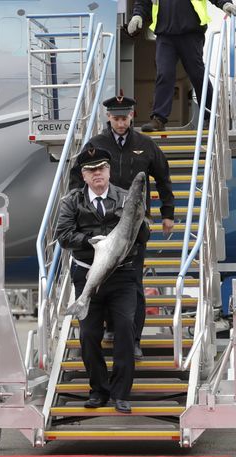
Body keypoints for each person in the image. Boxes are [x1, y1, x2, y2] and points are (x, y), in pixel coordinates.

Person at [69, 94, 174, 359]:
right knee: (103, 278)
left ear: (131, 116)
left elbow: (163, 178)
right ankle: (110, 328)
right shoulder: (96, 145)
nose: (120, 123)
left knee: (133, 283)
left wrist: (167, 213)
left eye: (124, 118)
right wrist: (77, 212)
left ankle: (134, 339)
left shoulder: (145, 145)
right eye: (116, 118)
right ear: (108, 117)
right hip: (101, 224)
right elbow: (76, 181)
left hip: (135, 228)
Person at [57, 147, 150, 413]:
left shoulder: (126, 198)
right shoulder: (71, 201)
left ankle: (121, 393)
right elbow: (63, 236)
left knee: (124, 332)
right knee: (88, 335)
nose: (97, 173)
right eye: (91, 170)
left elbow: (144, 238)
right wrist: (88, 240)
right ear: (84, 175)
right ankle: (98, 390)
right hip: (87, 273)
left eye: (101, 168)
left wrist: (139, 223)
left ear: (109, 171)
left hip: (122, 276)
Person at [127, 0, 236, 131]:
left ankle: (211, 116)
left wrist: (225, 3)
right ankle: (159, 119)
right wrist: (137, 15)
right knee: (164, 74)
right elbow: (144, 1)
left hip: (191, 33)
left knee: (197, 75)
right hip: (165, 35)